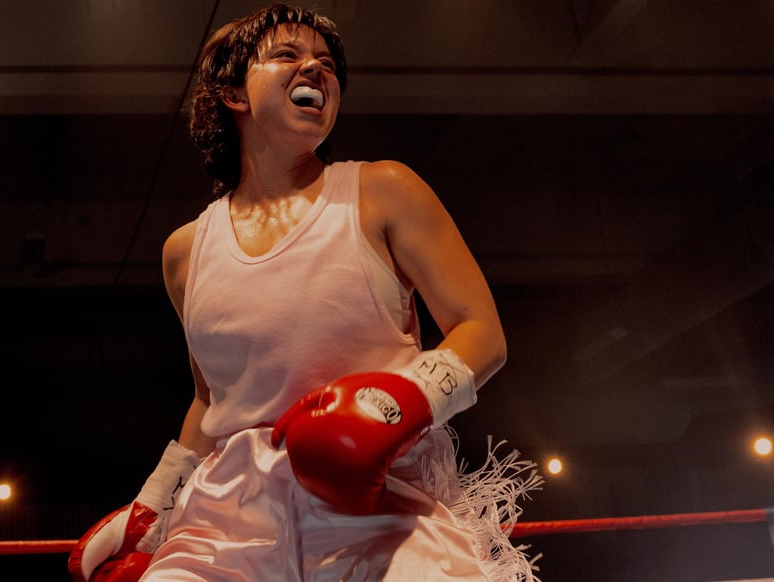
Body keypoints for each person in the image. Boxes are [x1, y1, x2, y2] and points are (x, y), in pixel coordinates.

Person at [69, 3, 542, 581]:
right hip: (227, 521)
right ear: (233, 93)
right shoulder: (185, 251)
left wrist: (395, 405)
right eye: (288, 55)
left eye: (326, 63)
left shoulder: (384, 191)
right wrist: (155, 501)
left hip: (380, 507)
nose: (316, 70)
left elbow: (481, 331)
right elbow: (210, 399)